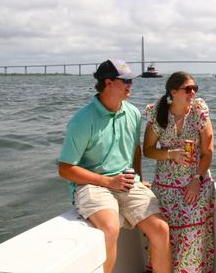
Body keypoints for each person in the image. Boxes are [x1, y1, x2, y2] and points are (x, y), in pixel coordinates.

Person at [58, 59, 172, 273]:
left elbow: (136, 149)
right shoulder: (82, 120)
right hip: (92, 184)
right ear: (108, 83)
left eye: (131, 80)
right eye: (125, 80)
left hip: (126, 182)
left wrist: (138, 177)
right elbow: (65, 169)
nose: (131, 84)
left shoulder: (133, 113)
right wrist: (108, 181)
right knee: (110, 229)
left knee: (161, 229)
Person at [144, 72, 215, 272]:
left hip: (196, 182)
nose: (192, 92)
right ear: (173, 92)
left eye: (195, 88)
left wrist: (196, 179)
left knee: (192, 235)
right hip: (166, 186)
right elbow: (148, 150)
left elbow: (208, 152)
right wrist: (170, 154)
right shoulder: (158, 113)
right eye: (187, 89)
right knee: (168, 237)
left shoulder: (198, 111)